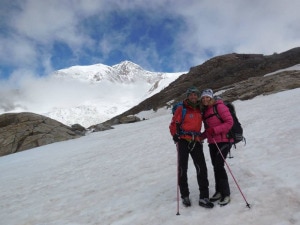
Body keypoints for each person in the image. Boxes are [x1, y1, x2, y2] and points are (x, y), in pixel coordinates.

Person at [169, 87, 214, 208]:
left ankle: (204, 197)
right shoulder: (181, 108)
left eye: (195, 95)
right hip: (183, 140)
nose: (193, 97)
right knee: (183, 168)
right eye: (191, 95)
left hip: (196, 140)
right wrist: (175, 135)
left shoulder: (200, 108)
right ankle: (185, 195)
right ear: (188, 96)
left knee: (202, 168)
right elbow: (173, 124)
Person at [200, 89, 233, 206]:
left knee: (219, 166)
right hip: (212, 142)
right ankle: (219, 191)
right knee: (216, 166)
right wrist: (200, 137)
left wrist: (214, 130)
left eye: (207, 97)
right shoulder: (205, 111)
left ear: (211, 97)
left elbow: (229, 122)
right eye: (203, 98)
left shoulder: (219, 107)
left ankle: (226, 194)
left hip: (224, 140)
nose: (205, 99)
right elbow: (208, 130)